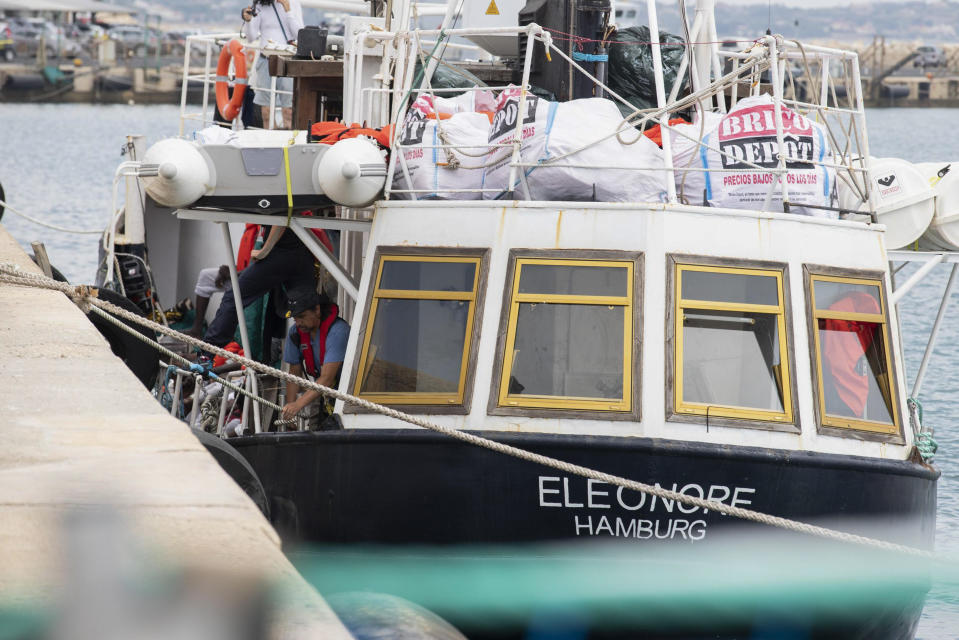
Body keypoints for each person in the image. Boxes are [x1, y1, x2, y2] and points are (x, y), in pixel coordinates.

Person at [203, 224, 316, 351]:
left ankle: (208, 353)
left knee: (234, 297)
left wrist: (264, 251)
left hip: (282, 252)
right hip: (300, 252)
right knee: (308, 308)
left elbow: (281, 218)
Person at [281, 287, 349, 429]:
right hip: (323, 395)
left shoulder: (338, 331)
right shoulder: (296, 334)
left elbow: (327, 378)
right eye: (295, 318)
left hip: (346, 395)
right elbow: (294, 374)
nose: (298, 322)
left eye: (302, 316)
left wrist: (298, 405)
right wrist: (290, 413)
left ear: (317, 310)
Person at [241, 0, 304, 129]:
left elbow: (298, 34)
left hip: (287, 60)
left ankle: (288, 142)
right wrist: (248, 21)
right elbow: (251, 37)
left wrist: (288, 10)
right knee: (266, 112)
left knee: (288, 111)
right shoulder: (259, 4)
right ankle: (269, 142)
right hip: (266, 60)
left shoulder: (293, 3)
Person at [186, 265, 230, 337]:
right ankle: (196, 330)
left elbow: (253, 270)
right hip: (240, 271)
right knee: (205, 275)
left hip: (247, 278)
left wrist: (231, 274)